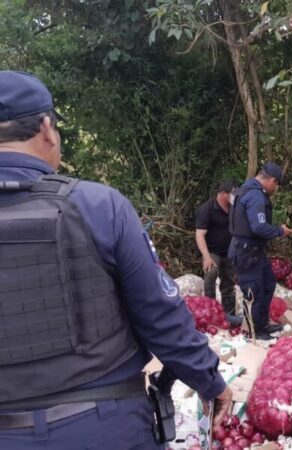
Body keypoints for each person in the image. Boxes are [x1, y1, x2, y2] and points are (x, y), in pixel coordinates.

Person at [0, 71, 232, 449]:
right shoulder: (97, 206)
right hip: (102, 425)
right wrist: (210, 381)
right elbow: (158, 315)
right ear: (46, 130)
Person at [228, 161, 292, 339]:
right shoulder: (256, 195)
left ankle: (262, 324)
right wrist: (280, 231)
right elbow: (258, 227)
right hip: (246, 252)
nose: (276, 189)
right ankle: (254, 331)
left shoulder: (243, 189)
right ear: (272, 180)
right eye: (277, 185)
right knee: (254, 291)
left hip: (253, 250)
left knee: (268, 283)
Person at [195, 180, 237, 317]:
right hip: (212, 251)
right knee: (211, 273)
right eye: (232, 193)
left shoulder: (234, 208)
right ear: (223, 193)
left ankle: (229, 315)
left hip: (229, 251)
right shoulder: (207, 209)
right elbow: (200, 234)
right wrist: (206, 257)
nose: (234, 196)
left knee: (229, 282)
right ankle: (210, 311)